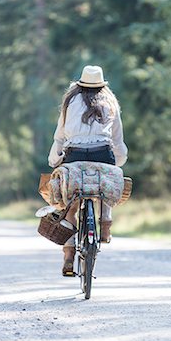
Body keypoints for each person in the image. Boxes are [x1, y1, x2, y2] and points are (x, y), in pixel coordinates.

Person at [48, 65, 128, 276]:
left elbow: (60, 135)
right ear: (101, 85)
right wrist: (118, 162)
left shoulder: (70, 101)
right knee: (105, 183)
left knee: (70, 205)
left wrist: (54, 159)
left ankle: (68, 257)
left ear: (81, 84)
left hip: (74, 156)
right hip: (104, 153)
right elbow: (117, 139)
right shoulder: (110, 102)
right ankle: (105, 224)